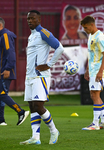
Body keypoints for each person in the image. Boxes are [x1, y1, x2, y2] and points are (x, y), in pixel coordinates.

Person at [20, 10, 64, 145]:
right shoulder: (31, 36)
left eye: (32, 19)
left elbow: (59, 48)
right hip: (30, 76)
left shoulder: (43, 33)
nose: (29, 21)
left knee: (39, 106)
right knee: (32, 106)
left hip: (40, 76)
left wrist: (49, 65)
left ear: (39, 20)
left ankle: (54, 130)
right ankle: (35, 137)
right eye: (28, 19)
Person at [0, 17, 29, 126]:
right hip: (0, 71)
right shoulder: (1, 37)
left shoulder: (5, 36)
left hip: (5, 71)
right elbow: (1, 57)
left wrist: (8, 69)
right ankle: (1, 120)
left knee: (2, 94)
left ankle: (21, 112)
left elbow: (11, 54)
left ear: (0, 25)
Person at [80, 15, 104, 130]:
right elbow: (90, 54)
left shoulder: (100, 37)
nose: (85, 30)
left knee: (95, 95)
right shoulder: (91, 35)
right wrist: (87, 70)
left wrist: (100, 71)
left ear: (92, 25)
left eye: (86, 27)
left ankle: (95, 124)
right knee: (94, 95)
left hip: (98, 70)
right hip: (92, 70)